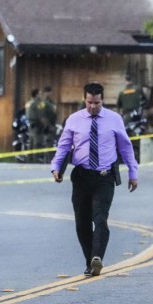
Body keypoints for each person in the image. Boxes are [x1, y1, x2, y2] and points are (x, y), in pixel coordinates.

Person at [51, 82, 138, 277]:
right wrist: (56, 167)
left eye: (97, 103)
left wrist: (133, 172)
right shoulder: (74, 120)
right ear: (84, 99)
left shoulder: (114, 119)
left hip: (104, 177)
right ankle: (89, 261)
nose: (92, 107)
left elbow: (125, 147)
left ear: (103, 100)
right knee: (82, 223)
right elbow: (63, 146)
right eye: (89, 102)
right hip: (82, 176)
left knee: (100, 219)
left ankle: (97, 257)